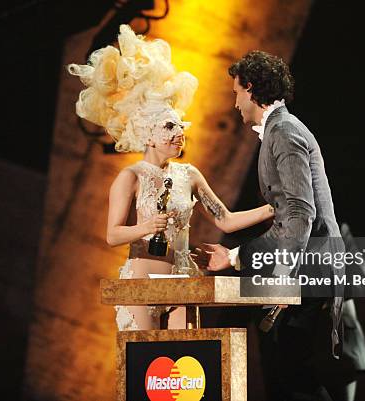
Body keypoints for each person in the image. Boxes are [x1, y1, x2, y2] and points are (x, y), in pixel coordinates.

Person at [67, 25, 274, 331]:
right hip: (141, 286)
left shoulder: (188, 174)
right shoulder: (130, 177)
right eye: (168, 127)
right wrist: (146, 227)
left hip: (182, 283)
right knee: (147, 370)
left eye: (180, 126)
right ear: (147, 135)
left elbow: (225, 219)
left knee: (186, 367)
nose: (178, 133)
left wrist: (273, 208)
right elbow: (112, 236)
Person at [200, 50, 345, 400]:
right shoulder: (280, 130)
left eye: (236, 92)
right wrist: (237, 258)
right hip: (305, 266)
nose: (235, 103)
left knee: (295, 377)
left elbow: (299, 213)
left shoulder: (284, 131)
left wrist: (278, 278)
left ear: (250, 88)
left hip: (309, 269)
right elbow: (286, 215)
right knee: (285, 373)